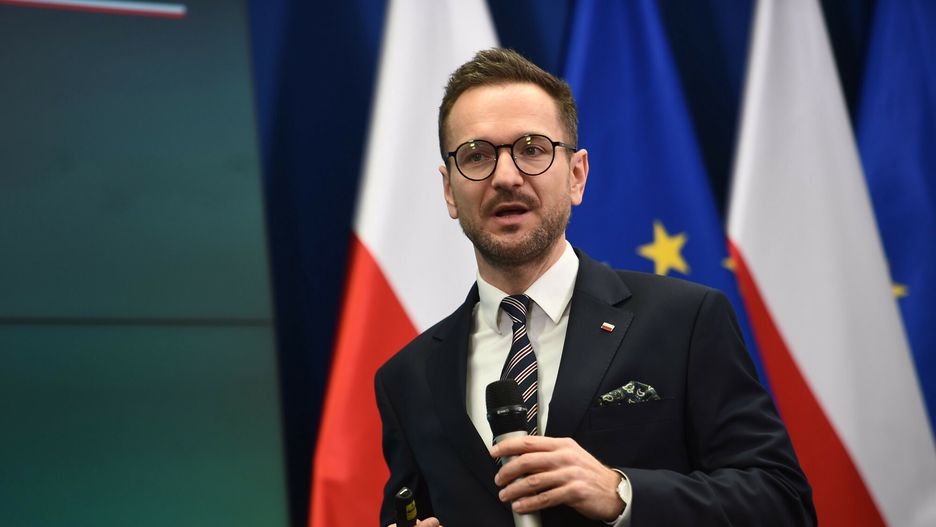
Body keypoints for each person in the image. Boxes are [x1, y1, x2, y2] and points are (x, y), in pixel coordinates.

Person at [375, 48, 815, 527]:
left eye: (532, 150)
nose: (505, 177)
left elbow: (783, 503)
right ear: (449, 191)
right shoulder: (408, 378)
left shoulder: (685, 321)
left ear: (577, 176)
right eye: (476, 156)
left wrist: (621, 494)